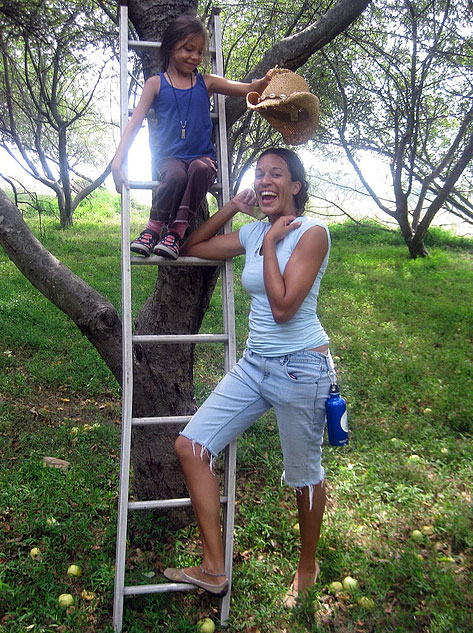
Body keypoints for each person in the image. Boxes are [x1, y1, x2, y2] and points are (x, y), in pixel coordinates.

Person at [163, 148, 332, 608]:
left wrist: (275, 241)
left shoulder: (312, 232)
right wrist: (233, 208)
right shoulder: (255, 230)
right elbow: (194, 245)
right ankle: (215, 569)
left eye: (276, 174)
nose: (265, 181)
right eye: (259, 175)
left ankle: (308, 565)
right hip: (254, 364)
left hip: (302, 368)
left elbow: (282, 307)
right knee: (191, 445)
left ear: (295, 186)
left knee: (304, 476)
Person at [111, 13, 271, 259]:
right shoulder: (155, 84)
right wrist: (118, 160)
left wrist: (262, 83)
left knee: (199, 168)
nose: (194, 57)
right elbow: (134, 123)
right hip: (169, 159)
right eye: (188, 49)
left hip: (201, 157)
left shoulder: (205, 83)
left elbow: (247, 89)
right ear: (170, 46)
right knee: (175, 175)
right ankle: (153, 229)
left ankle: (176, 233)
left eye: (199, 52)